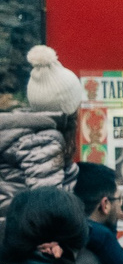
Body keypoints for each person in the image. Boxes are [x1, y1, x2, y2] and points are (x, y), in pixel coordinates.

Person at [0, 46, 79, 207]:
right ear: (70, 108)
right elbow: (49, 208)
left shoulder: (23, 132)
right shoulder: (43, 142)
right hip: (17, 222)